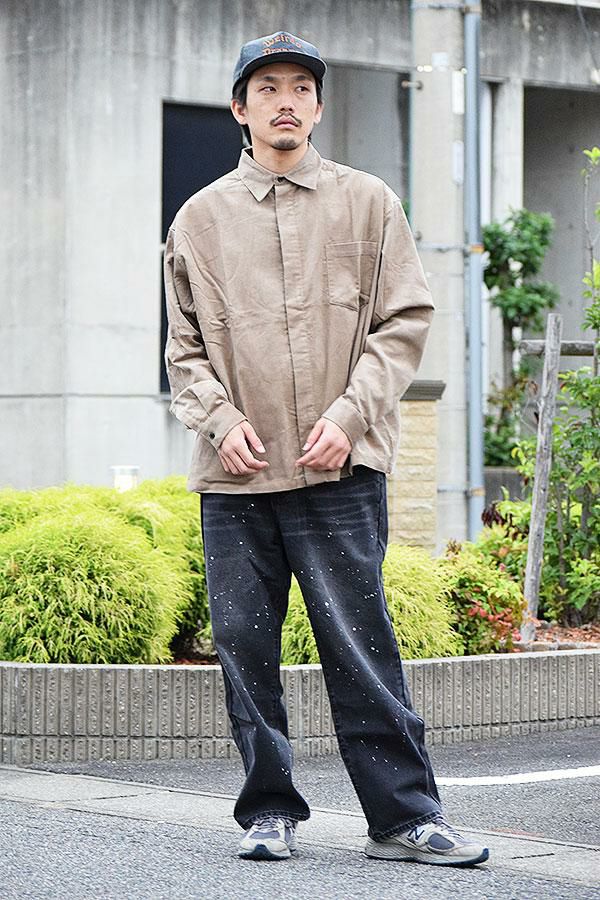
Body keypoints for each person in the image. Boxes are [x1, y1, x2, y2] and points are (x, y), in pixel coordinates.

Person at [164, 30, 489, 868]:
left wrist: (350, 416)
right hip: (235, 477)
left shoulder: (368, 202)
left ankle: (404, 817)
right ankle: (269, 811)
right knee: (246, 650)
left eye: (301, 88)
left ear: (317, 106)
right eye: (267, 88)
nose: (286, 101)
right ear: (239, 108)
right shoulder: (199, 219)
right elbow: (184, 350)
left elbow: (404, 321)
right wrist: (219, 419)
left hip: (338, 468)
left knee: (361, 647)